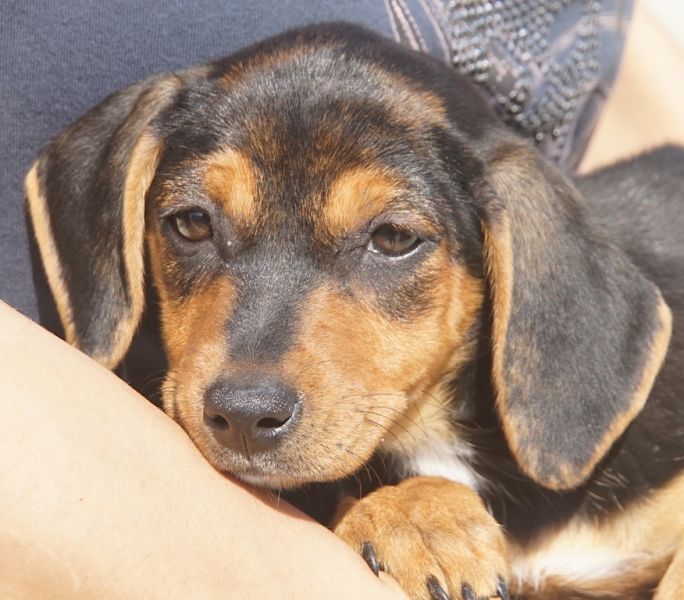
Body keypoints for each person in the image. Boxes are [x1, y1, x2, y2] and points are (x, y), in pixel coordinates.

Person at [4, 1, 683, 598]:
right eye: (195, 225)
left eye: (391, 238)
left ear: (507, 261)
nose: (252, 384)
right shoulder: (357, 497)